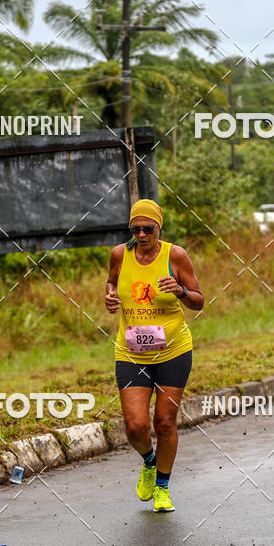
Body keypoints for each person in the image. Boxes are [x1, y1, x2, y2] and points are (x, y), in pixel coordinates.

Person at [105, 199, 204, 512]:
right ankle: (149, 461)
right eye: (136, 228)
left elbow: (199, 301)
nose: (142, 233)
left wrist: (180, 291)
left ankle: (162, 486)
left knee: (164, 421)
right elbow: (111, 280)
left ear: (159, 227)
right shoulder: (120, 254)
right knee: (135, 426)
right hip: (131, 353)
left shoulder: (175, 255)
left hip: (173, 351)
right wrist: (109, 295)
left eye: (148, 228)